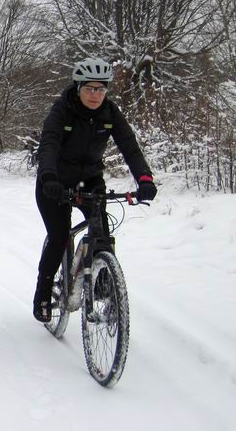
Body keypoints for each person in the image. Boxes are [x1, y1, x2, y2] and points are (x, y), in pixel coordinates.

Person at [33, 57, 157, 323]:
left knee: (102, 232)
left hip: (90, 180)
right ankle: (43, 295)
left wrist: (144, 179)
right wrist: (49, 177)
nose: (95, 94)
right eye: (89, 88)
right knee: (59, 235)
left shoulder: (110, 113)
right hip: (54, 181)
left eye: (101, 89)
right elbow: (49, 145)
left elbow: (130, 147)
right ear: (78, 88)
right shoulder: (62, 111)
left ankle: (104, 285)